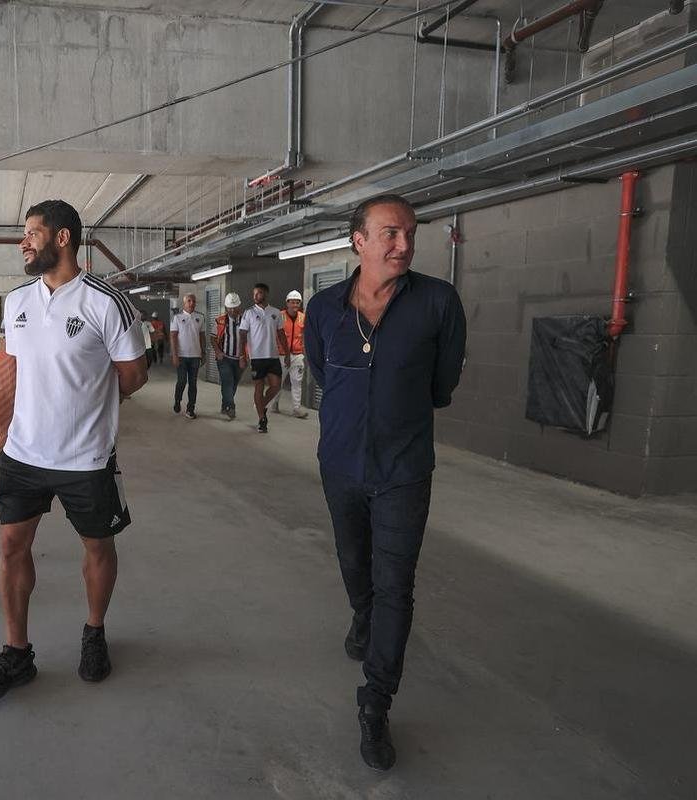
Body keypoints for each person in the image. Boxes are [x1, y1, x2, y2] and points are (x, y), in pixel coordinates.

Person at [304, 194, 466, 771]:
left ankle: (376, 701)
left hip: (403, 470)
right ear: (359, 241)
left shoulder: (438, 303)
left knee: (396, 584)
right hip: (340, 466)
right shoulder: (324, 309)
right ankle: (362, 615)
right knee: (354, 563)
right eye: (392, 234)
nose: (405, 245)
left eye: (410, 234)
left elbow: (442, 383)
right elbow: (323, 374)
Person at [0, 199, 148, 700]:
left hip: (86, 458)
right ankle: (16, 653)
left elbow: (133, 375)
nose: (23, 243)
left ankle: (94, 632)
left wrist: (87, 403)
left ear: (63, 237)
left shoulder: (105, 302)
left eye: (32, 233)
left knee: (97, 546)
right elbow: (22, 370)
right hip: (23, 453)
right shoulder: (17, 301)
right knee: (10, 547)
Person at [237, 283, 286, 433]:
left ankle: (261, 405)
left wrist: (288, 353)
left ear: (265, 293)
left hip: (272, 356)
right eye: (254, 294)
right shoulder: (249, 313)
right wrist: (241, 356)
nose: (255, 297)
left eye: (257, 293)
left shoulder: (276, 312)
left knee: (276, 386)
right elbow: (243, 335)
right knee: (259, 386)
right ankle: (261, 419)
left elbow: (281, 334)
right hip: (257, 357)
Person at [274, 289, 309, 418]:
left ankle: (296, 408)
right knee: (278, 382)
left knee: (297, 382)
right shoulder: (279, 316)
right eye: (292, 302)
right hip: (281, 355)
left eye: (297, 303)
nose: (295, 305)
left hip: (298, 355)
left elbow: (306, 336)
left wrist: (305, 352)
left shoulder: (303, 317)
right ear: (287, 303)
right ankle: (275, 403)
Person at [170, 293, 205, 419]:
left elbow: (202, 336)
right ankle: (177, 400)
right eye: (189, 301)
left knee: (193, 383)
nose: (192, 303)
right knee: (181, 381)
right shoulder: (177, 318)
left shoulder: (200, 317)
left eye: (193, 301)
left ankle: (191, 408)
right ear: (184, 303)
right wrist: (174, 355)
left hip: (195, 356)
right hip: (181, 356)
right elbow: (173, 337)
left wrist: (203, 353)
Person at [213, 292, 244, 419]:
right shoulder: (220, 321)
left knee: (234, 383)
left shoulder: (245, 320)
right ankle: (231, 406)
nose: (232, 310)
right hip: (224, 358)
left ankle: (224, 404)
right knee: (227, 381)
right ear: (226, 308)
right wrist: (218, 352)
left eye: (234, 307)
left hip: (240, 359)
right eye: (229, 308)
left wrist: (246, 357)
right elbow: (212, 338)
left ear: (239, 307)